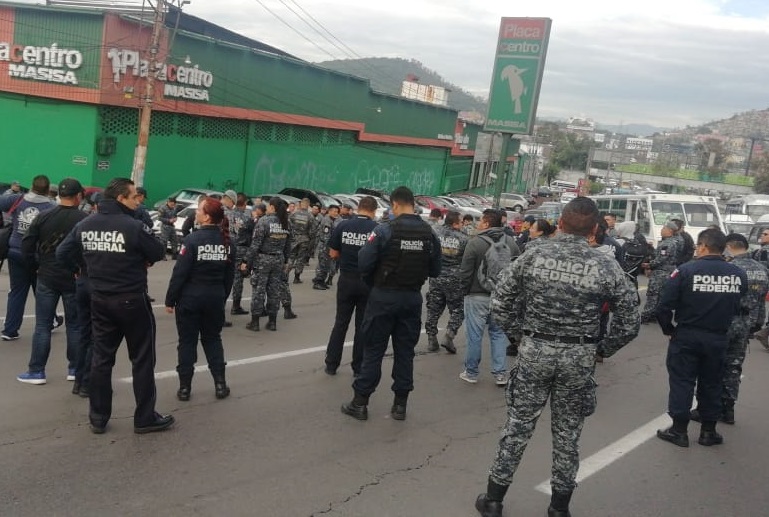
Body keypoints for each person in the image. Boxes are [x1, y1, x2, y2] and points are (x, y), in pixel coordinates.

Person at [475, 197, 640, 517]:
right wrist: (601, 348)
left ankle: (494, 499)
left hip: (536, 350)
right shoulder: (605, 264)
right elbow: (630, 320)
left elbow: (500, 301)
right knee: (567, 432)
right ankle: (559, 507)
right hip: (578, 355)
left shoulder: (534, 254)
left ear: (560, 223)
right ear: (594, 229)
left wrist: (520, 337)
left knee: (518, 426)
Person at [64, 177, 173, 434]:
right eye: (134, 196)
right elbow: (158, 252)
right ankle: (144, 417)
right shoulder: (132, 226)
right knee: (142, 359)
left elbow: (63, 252)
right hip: (131, 299)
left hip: (100, 299)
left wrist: (84, 267)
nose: (138, 200)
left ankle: (98, 417)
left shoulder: (86, 223)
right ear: (120, 199)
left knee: (101, 359)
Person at [340, 186, 441, 421]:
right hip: (412, 298)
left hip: (383, 297)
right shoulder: (429, 233)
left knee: (373, 349)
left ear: (395, 204)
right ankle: (400, 406)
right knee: (405, 352)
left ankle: (360, 402)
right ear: (412, 204)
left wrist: (375, 283)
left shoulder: (385, 230)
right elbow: (436, 269)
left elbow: (364, 262)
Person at [656, 228, 746, 448]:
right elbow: (739, 305)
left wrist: (669, 329)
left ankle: (679, 431)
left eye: (698, 246)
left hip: (687, 334)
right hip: (718, 337)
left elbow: (664, 306)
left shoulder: (685, 271)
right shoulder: (737, 274)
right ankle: (708, 431)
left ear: (703, 246)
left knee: (682, 381)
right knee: (712, 382)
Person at [689, 233, 767, 425]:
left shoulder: (730, 268)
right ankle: (728, 409)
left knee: (711, 366)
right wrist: (757, 323)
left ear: (728, 246)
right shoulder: (762, 269)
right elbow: (762, 301)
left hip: (724, 321)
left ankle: (706, 408)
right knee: (733, 367)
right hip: (746, 323)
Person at [16, 178, 88, 385]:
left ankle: (37, 371)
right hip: (74, 277)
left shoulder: (44, 216)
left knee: (43, 325)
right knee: (75, 326)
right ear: (78, 196)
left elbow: (27, 247)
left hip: (47, 275)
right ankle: (75, 368)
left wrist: (35, 267)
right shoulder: (85, 219)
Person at [165, 197, 236, 401]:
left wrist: (170, 300)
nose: (196, 212)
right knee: (213, 340)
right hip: (214, 298)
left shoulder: (192, 240)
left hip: (190, 300)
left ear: (206, 216)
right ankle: (220, 385)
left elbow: (180, 273)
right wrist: (221, 298)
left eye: (198, 210)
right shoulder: (227, 242)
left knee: (187, 342)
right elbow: (229, 277)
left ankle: (185, 388)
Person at [459, 209, 520, 385]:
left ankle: (471, 372)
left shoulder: (475, 242)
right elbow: (516, 270)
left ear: (486, 223)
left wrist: (465, 291)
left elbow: (465, 271)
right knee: (498, 334)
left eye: (480, 221)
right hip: (501, 297)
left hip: (477, 295)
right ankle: (500, 374)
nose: (478, 224)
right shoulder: (511, 242)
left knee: (474, 335)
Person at [323, 196, 379, 376]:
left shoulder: (343, 225)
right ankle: (358, 367)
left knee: (340, 323)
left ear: (359, 208)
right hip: (367, 282)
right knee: (362, 325)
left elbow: (332, 253)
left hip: (346, 279)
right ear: (373, 210)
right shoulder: (377, 229)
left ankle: (331, 364)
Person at [57, 192, 103, 398]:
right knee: (95, 336)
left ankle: (78, 379)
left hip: (83, 281)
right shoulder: (117, 226)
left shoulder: (85, 224)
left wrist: (76, 267)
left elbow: (62, 252)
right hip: (100, 284)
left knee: (84, 333)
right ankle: (85, 383)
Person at [0, 175, 56, 341]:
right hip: (38, 255)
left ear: (31, 186)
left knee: (17, 291)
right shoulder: (51, 207)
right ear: (47, 190)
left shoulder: (17, 200)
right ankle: (47, 324)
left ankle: (10, 330)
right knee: (42, 292)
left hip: (16, 251)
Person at [242, 197, 292, 332]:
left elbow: (255, 245)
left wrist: (246, 261)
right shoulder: (286, 222)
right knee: (274, 291)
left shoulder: (264, 221)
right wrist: (286, 261)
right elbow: (288, 246)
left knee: (259, 290)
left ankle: (255, 322)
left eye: (269, 206)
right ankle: (272, 322)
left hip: (263, 259)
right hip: (278, 260)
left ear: (272, 207)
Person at [425, 210, 468, 354]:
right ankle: (449, 334)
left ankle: (431, 339)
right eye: (461, 222)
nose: (463, 224)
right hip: (454, 279)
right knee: (458, 309)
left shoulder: (435, 233)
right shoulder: (464, 238)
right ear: (455, 223)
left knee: (433, 308)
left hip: (436, 276)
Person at [639, 221, 682, 323]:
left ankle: (646, 316)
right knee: (661, 295)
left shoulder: (667, 243)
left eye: (663, 228)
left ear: (669, 231)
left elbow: (661, 259)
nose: (662, 230)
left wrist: (649, 265)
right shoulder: (676, 241)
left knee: (653, 294)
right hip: (668, 271)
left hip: (661, 272)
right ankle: (655, 315)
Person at [222, 190, 253, 315]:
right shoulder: (247, 218)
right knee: (238, 279)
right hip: (241, 249)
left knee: (224, 277)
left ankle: (221, 307)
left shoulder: (227, 215)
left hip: (228, 248)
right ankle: (236, 305)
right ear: (245, 203)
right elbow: (252, 237)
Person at [286, 198, 316, 284]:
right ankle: (296, 277)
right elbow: (313, 231)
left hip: (294, 239)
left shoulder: (293, 214)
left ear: (301, 204)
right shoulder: (310, 216)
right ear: (308, 205)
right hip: (304, 240)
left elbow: (288, 226)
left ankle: (285, 275)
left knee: (291, 257)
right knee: (300, 258)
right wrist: (310, 238)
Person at [312, 205, 339, 290]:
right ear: (329, 211)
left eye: (337, 212)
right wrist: (331, 247)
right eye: (334, 211)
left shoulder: (332, 220)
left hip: (327, 246)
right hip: (325, 246)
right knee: (322, 264)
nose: (336, 213)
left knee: (326, 265)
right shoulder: (327, 221)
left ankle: (322, 281)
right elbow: (326, 237)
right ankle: (318, 282)